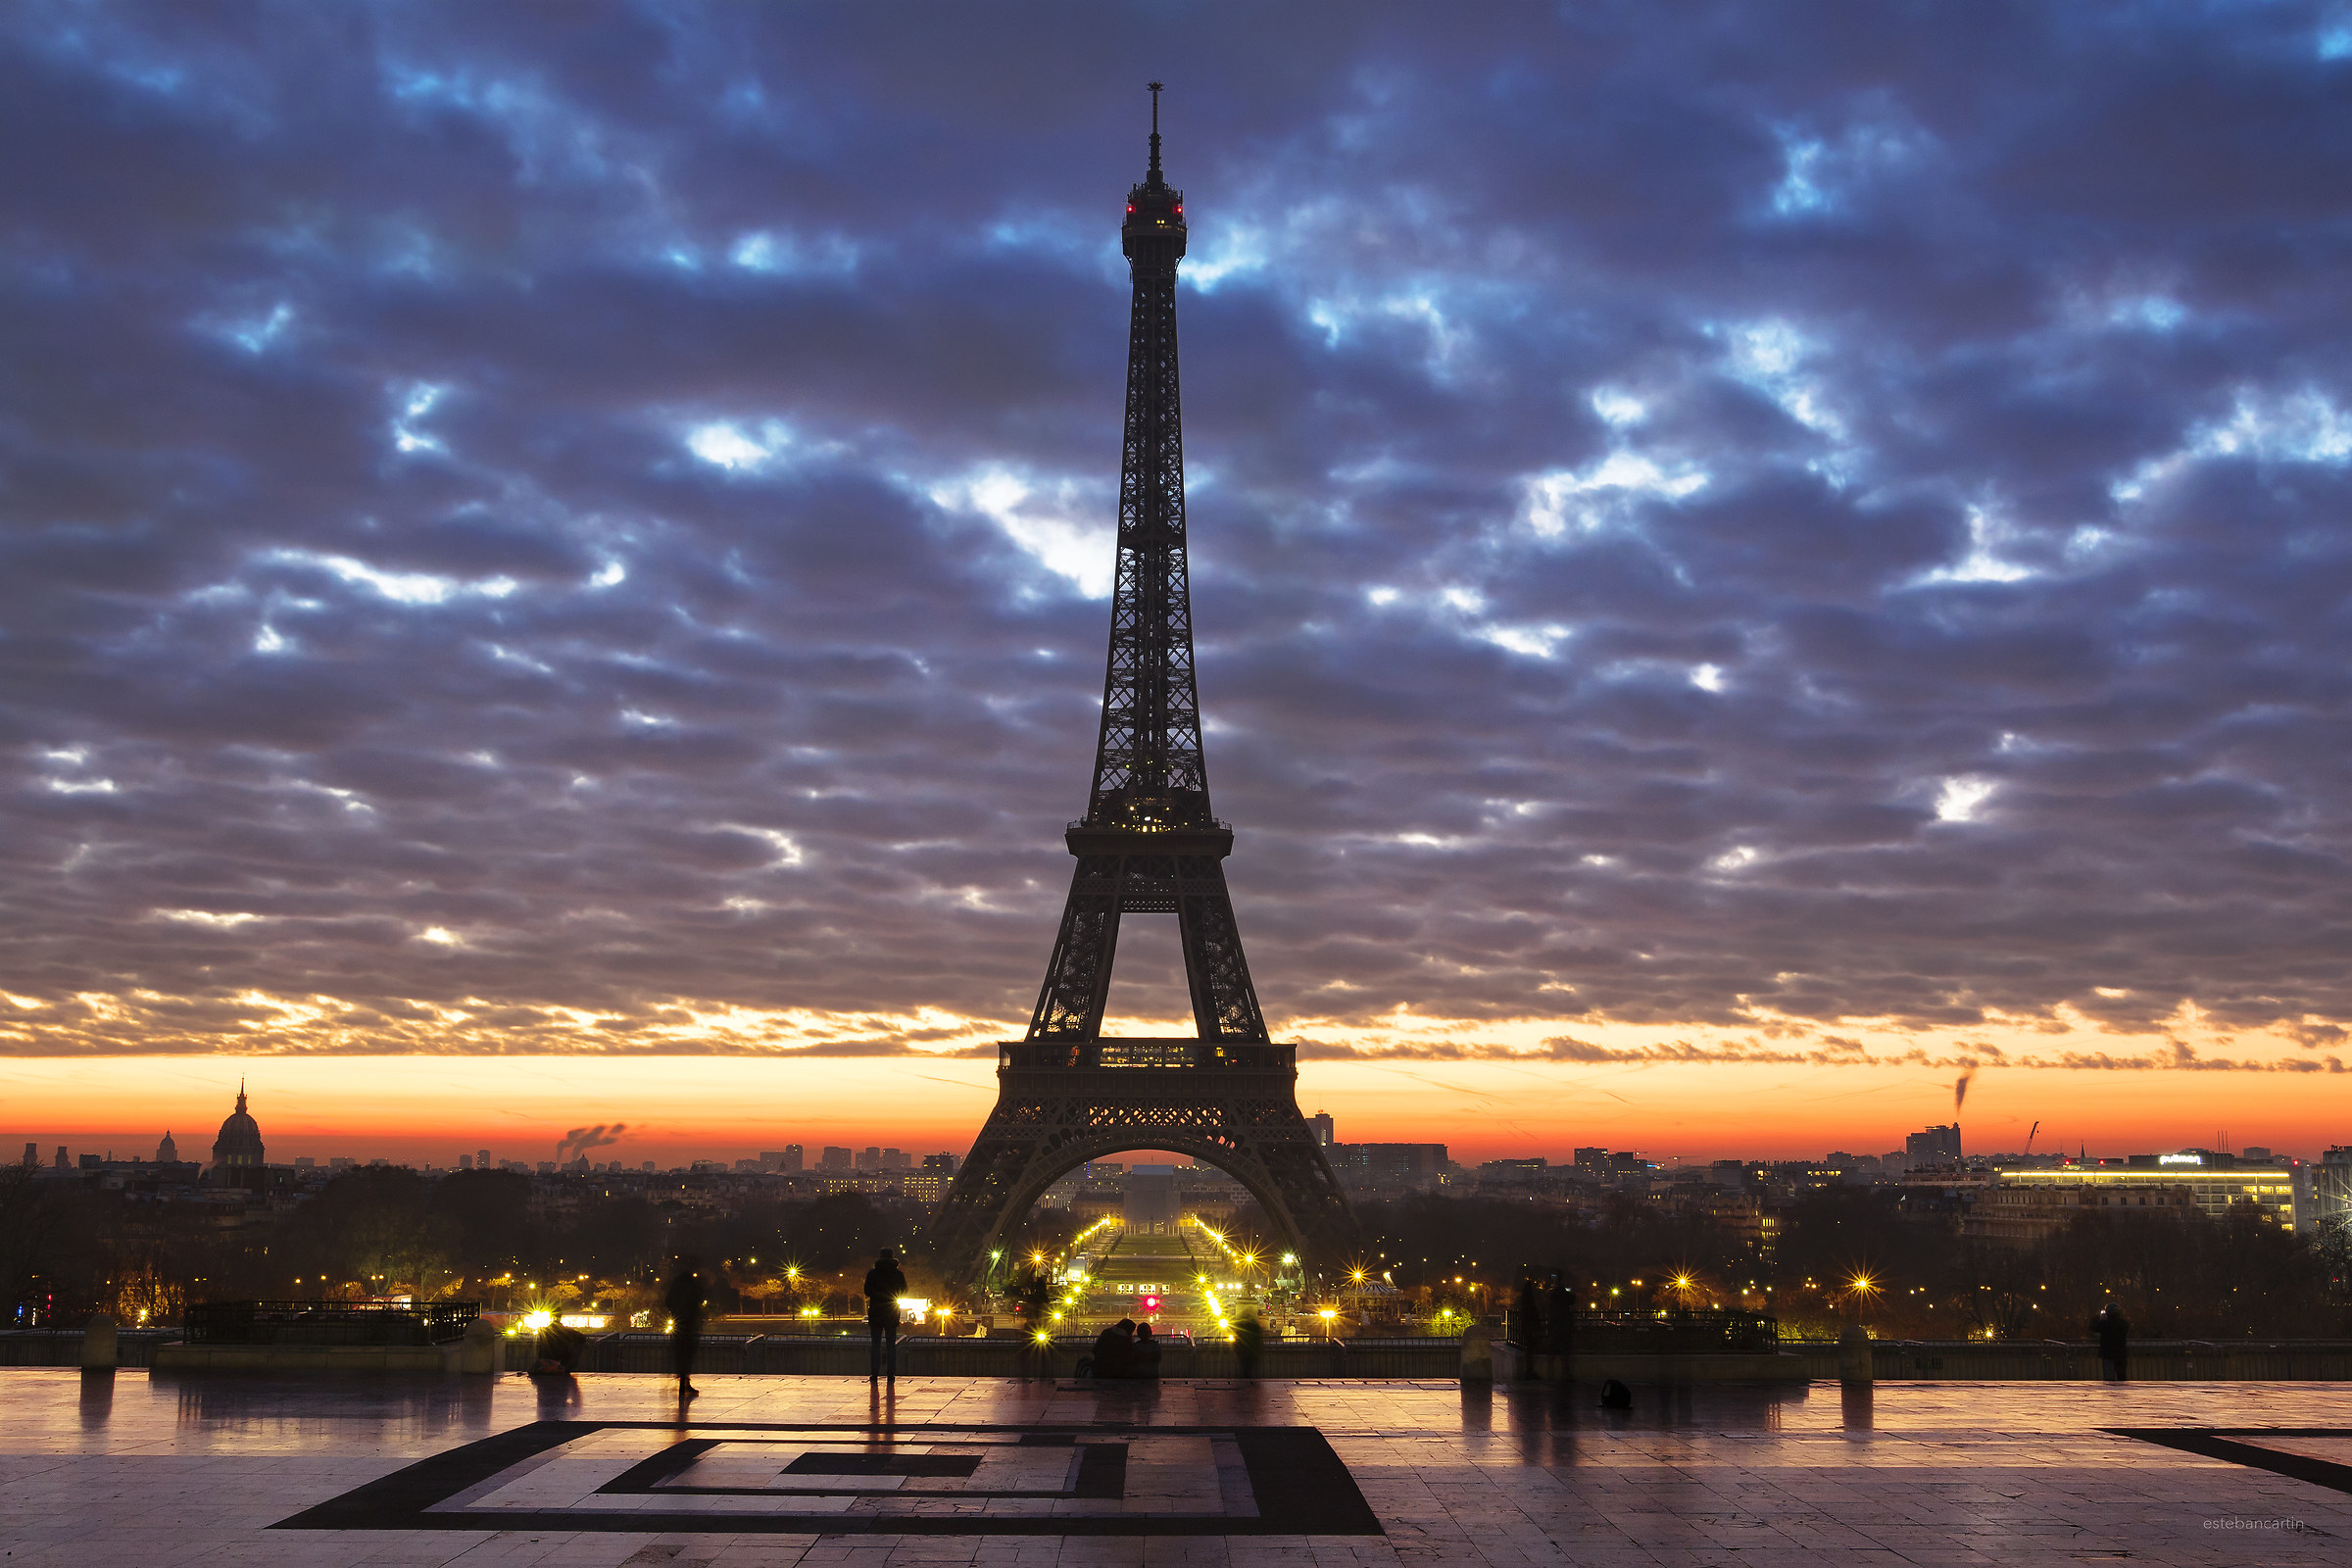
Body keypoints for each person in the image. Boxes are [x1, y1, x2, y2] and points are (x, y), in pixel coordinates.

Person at [663, 1255, 709, 1399]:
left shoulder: (677, 1284)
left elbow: (668, 1301)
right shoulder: (693, 1284)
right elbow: (698, 1301)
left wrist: (676, 1312)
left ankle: (683, 1381)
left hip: (679, 1325)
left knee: (680, 1354)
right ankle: (685, 1381)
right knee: (687, 1355)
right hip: (689, 1325)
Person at [863, 1249, 908, 1382]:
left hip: (876, 1311)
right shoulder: (898, 1274)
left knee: (875, 1344)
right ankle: (891, 1374)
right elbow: (904, 1290)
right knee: (891, 1345)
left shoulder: (873, 1274)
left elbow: (867, 1291)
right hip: (891, 1311)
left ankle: (874, 1373)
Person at [2095, 1302, 2130, 1382]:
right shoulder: (2123, 1324)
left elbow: (2093, 1326)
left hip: (2107, 1354)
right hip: (2121, 1354)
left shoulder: (2104, 1324)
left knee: (2109, 1378)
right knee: (2122, 1377)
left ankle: (2111, 1392)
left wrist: (2098, 1317)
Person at [1233, 1309, 1264, 1379]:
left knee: (1245, 1368)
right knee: (1250, 1368)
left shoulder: (1241, 1326)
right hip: (1252, 1352)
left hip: (1243, 1351)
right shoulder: (1254, 1326)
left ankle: (1245, 1380)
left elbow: (1237, 1339)